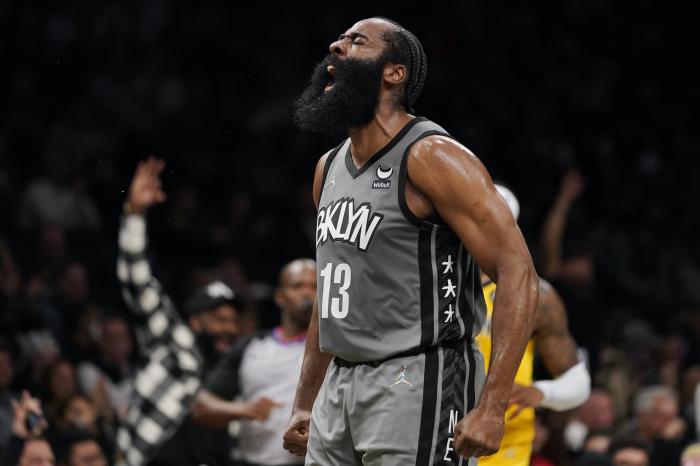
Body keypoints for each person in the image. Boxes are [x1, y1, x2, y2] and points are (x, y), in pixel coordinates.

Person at [283, 17, 539, 464]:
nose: (336, 47)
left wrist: (492, 407)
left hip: (419, 376)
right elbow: (332, 290)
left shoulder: (432, 155)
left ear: (394, 73)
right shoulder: (328, 167)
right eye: (339, 39)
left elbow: (518, 272)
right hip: (340, 384)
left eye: (356, 41)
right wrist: (305, 400)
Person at [115, 158, 240, 466]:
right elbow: (137, 280)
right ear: (195, 321)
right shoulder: (170, 337)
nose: (228, 328)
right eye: (219, 319)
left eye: (232, 321)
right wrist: (135, 213)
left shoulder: (231, 368)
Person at [476, 185, 591, 465]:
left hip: (503, 439)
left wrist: (540, 392)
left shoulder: (537, 296)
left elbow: (578, 381)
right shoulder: (427, 280)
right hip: (430, 425)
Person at [193, 258, 317, 466]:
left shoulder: (334, 349)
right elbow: (202, 407)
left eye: (315, 287)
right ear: (280, 296)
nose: (307, 293)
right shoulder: (252, 346)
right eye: (297, 286)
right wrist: (244, 409)